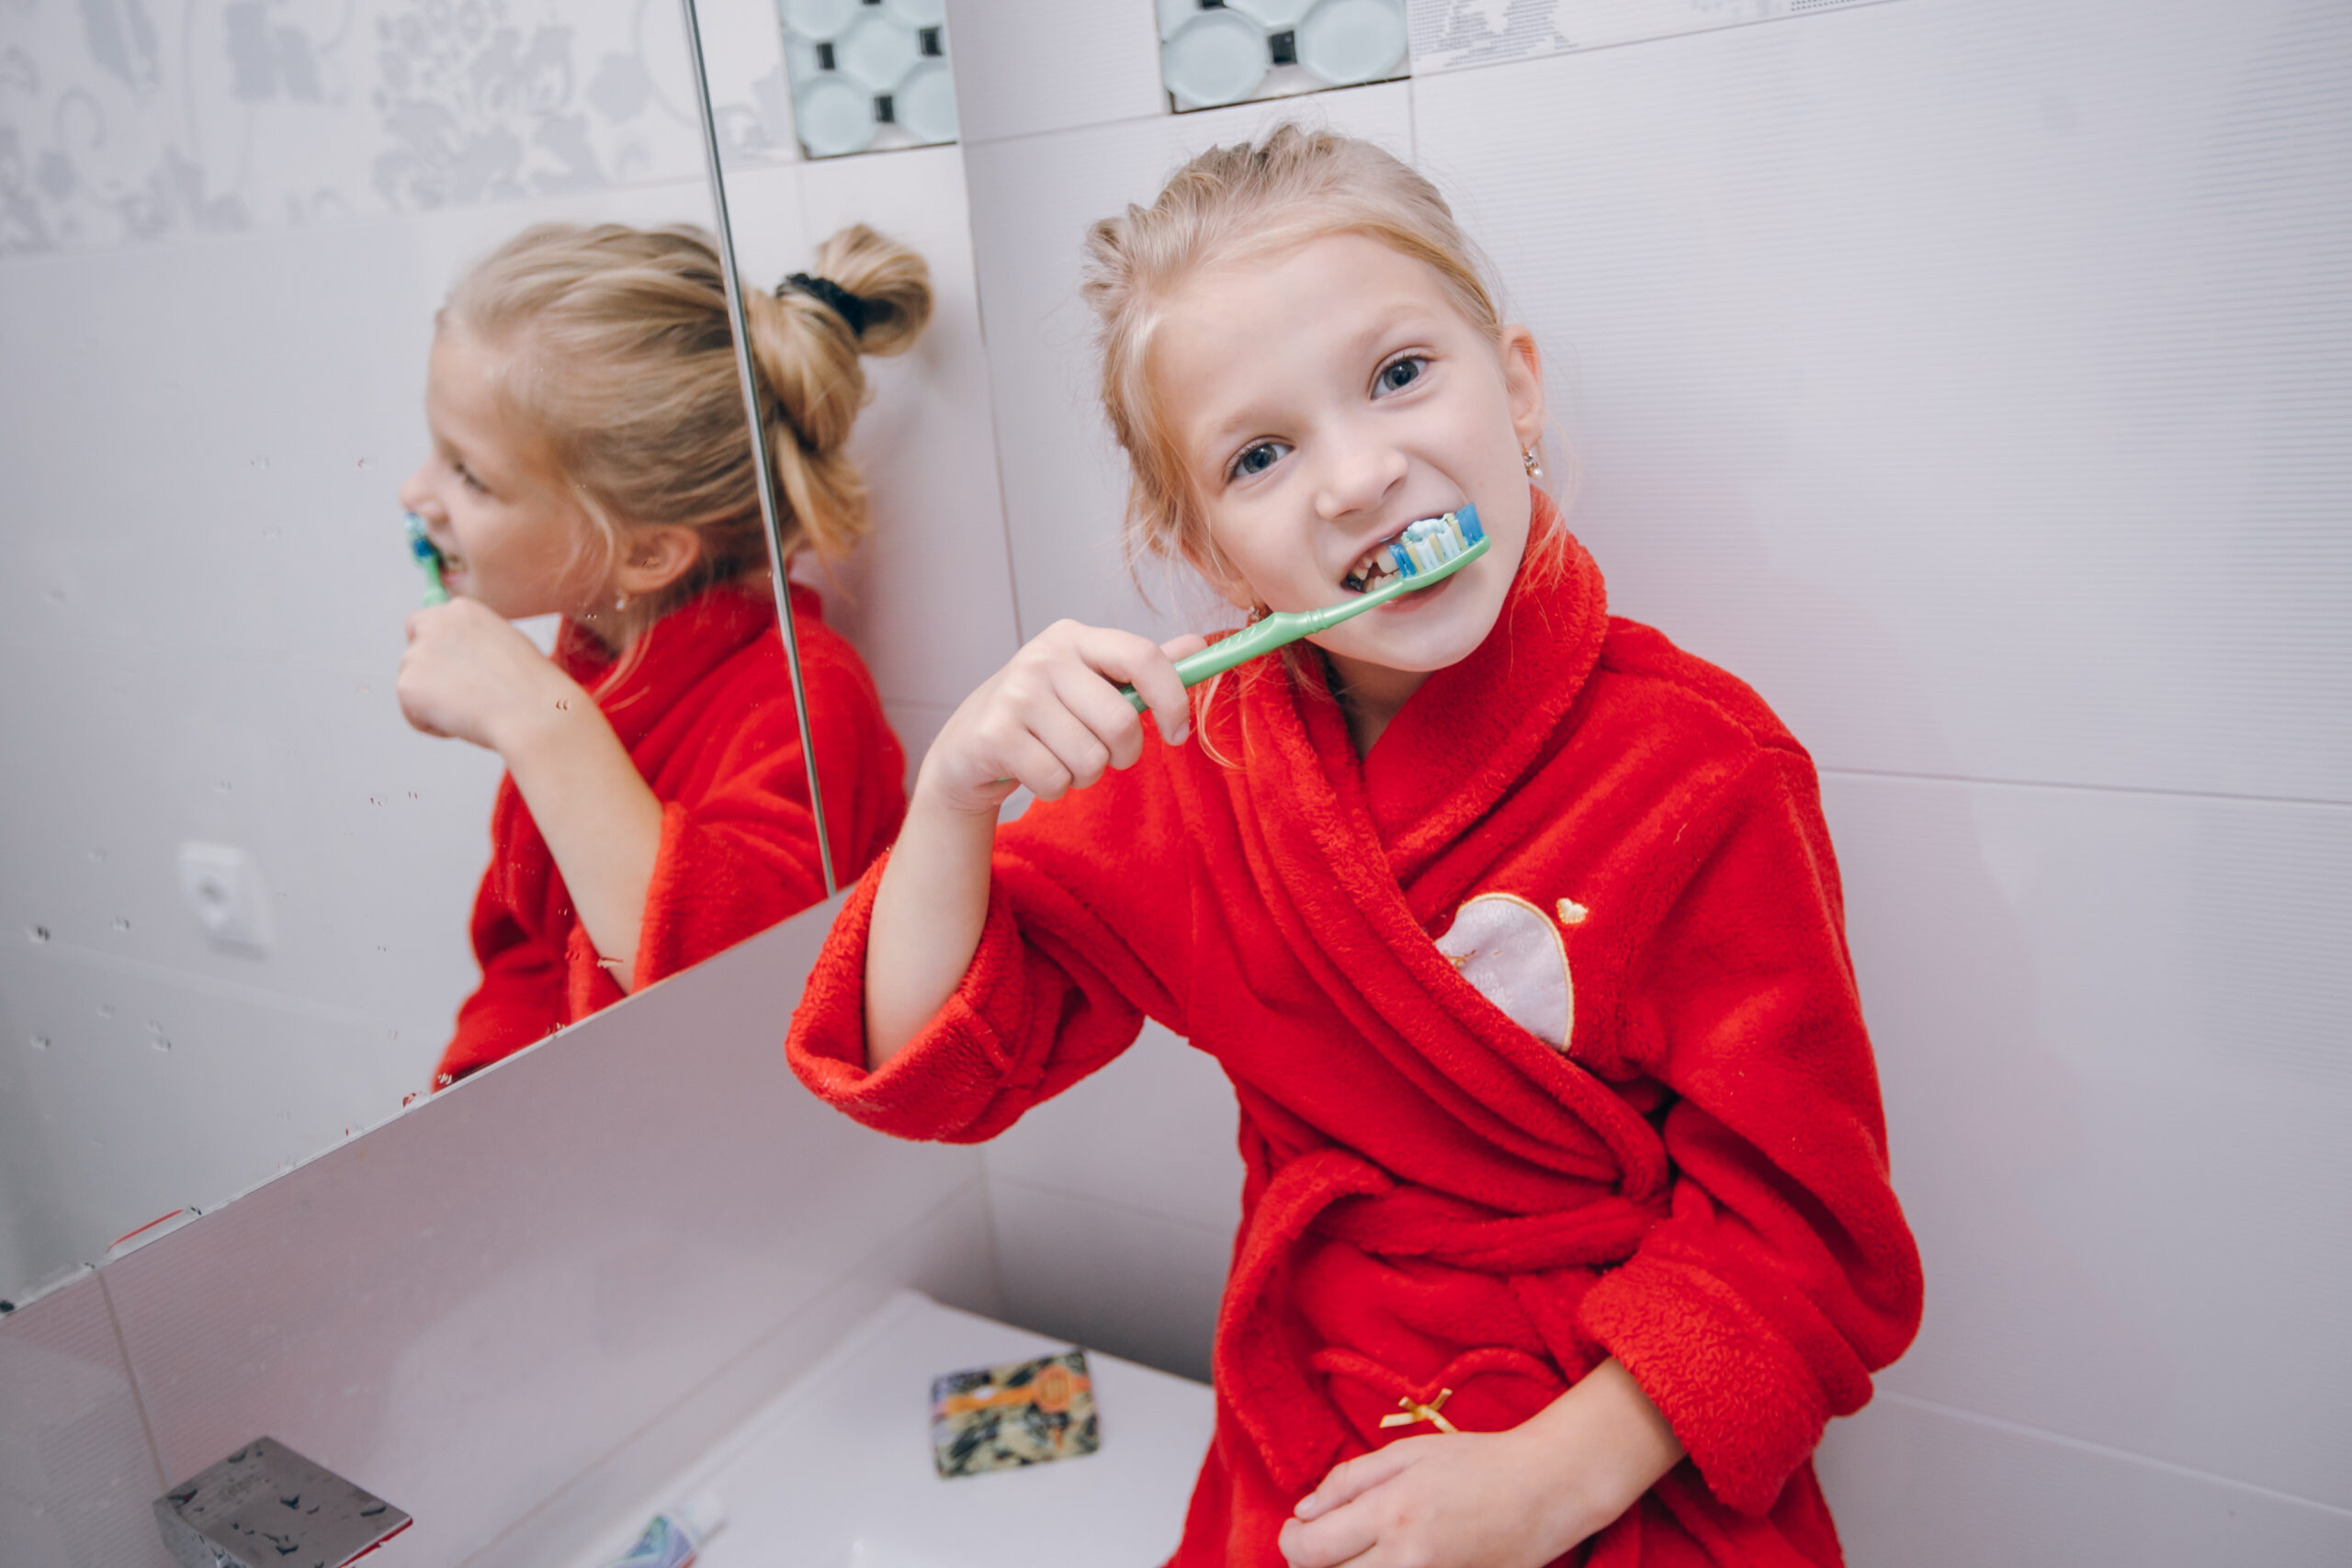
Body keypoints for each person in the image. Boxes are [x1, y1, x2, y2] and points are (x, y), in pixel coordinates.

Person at [787, 127, 1922, 1566]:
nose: (1354, 476)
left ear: (1514, 386)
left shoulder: (1700, 768)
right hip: (1314, 1428)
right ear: (1204, 547)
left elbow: (1811, 1234)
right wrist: (953, 790)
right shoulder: (1200, 775)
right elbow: (932, 1068)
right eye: (1260, 455)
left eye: (1398, 375)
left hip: (1617, 1434)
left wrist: (1549, 1482)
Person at [399, 221, 924, 1088]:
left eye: (470, 475)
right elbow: (526, 955)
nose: (416, 494)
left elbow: (737, 996)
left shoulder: (802, 699)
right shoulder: (590, 668)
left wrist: (541, 722)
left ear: (647, 553)